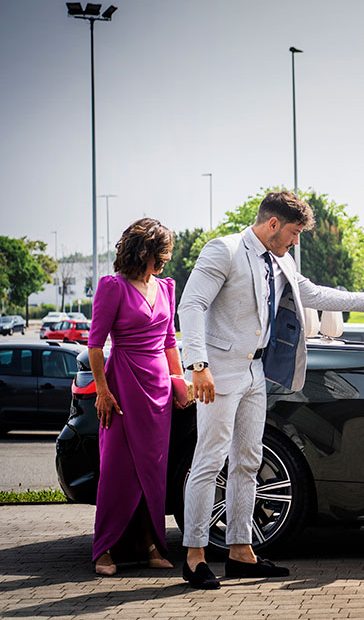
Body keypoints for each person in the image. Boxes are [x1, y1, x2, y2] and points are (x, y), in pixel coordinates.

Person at [178, 189, 364, 590]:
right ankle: (195, 556)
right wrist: (198, 366)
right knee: (209, 460)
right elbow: (190, 307)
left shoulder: (281, 258)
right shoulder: (222, 250)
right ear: (273, 224)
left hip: (255, 372)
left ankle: (241, 551)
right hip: (219, 370)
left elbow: (310, 293)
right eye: (293, 232)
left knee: (248, 460)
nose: (295, 241)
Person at [88, 218, 183, 576]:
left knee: (153, 472)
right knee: (117, 470)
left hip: (158, 389)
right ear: (144, 252)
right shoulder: (112, 287)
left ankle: (150, 545)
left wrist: (179, 380)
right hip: (123, 385)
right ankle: (105, 550)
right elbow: (95, 345)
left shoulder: (166, 287)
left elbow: (169, 340)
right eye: (161, 255)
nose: (165, 261)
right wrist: (103, 391)